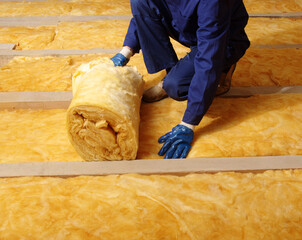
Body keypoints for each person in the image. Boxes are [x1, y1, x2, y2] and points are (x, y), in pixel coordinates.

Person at [111, 0, 250, 159]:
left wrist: (188, 124)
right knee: (141, 2)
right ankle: (176, 72)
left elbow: (208, 60)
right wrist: (126, 51)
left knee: (175, 86)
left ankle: (225, 66)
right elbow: (144, 14)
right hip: (192, 28)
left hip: (221, 41)